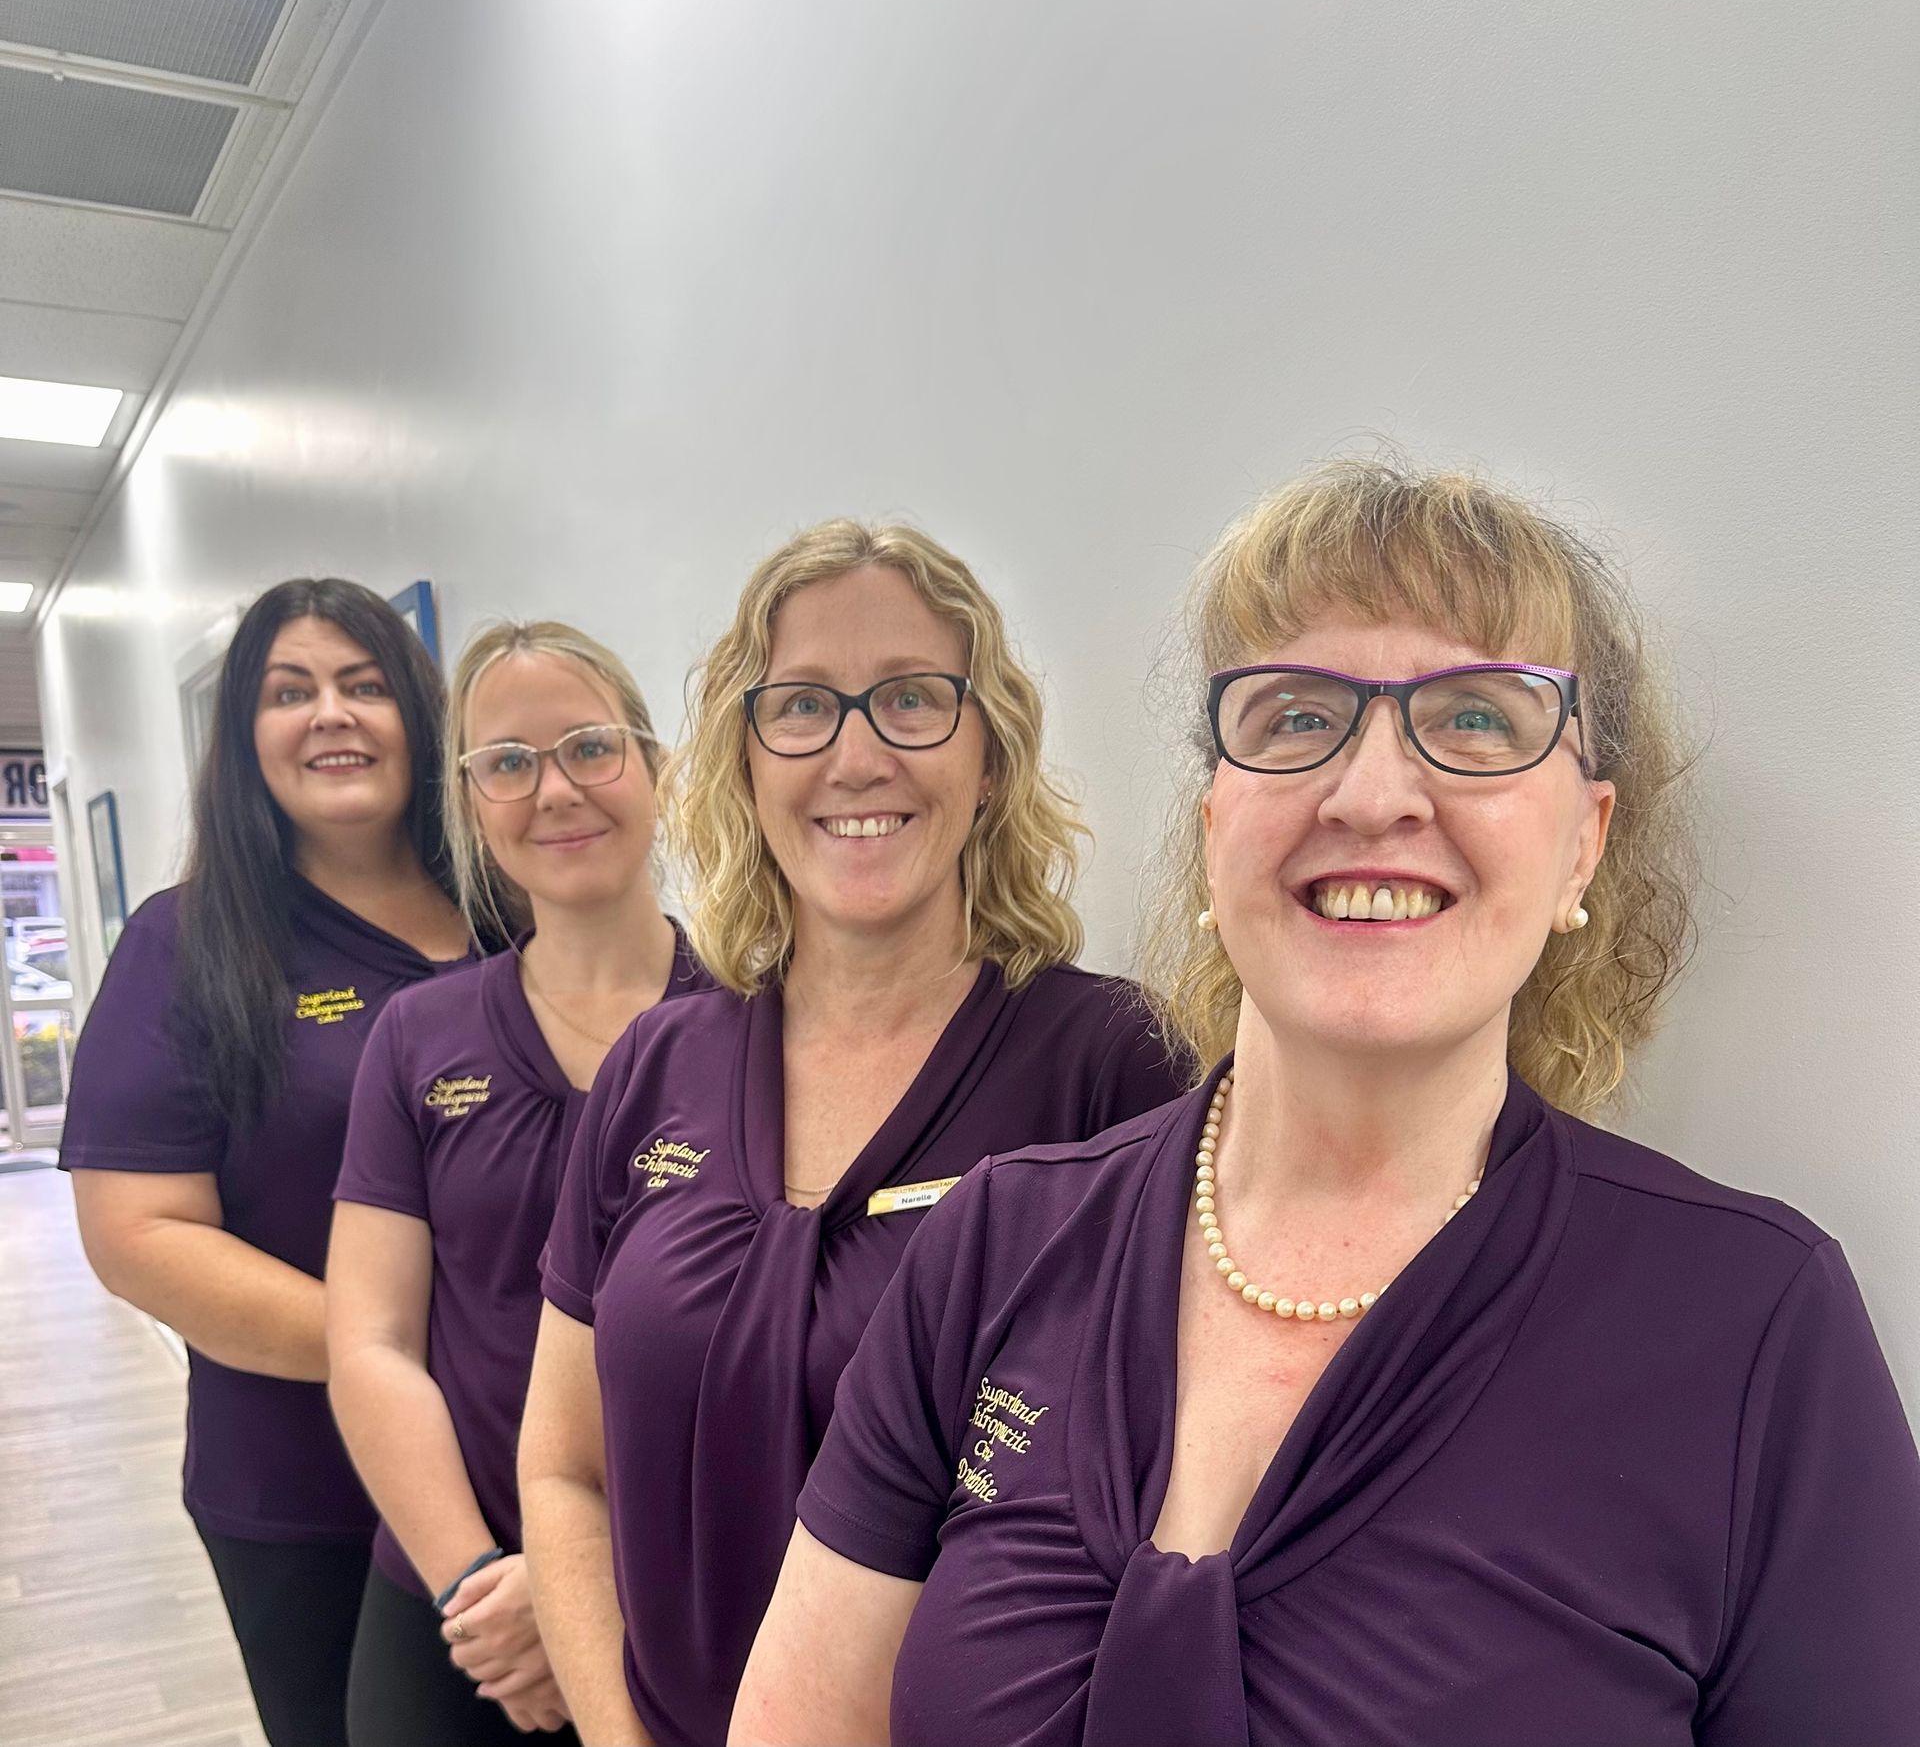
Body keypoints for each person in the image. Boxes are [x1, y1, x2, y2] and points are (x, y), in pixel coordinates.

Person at [736, 461, 1920, 1747]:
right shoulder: (993, 1245)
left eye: (1477, 719)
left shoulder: (1755, 1328)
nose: (1371, 794)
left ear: (1583, 840)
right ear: (1212, 827)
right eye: (1297, 716)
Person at [519, 520, 1186, 1747]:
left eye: (913, 700)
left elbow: (1160, 1519)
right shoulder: (655, 1069)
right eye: (804, 708)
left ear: (990, 756)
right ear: (746, 763)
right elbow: (562, 1465)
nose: (858, 753)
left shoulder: (1114, 1070)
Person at [62, 580, 473, 1747]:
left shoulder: (515, 915)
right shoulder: (183, 946)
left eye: (365, 684)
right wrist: (409, 1357)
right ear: (245, 739)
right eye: (290, 692)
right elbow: (139, 1235)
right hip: (310, 1489)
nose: (331, 715)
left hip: (549, 1457)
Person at [328, 623, 710, 1746]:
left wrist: (579, 1591)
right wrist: (479, 1583)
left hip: (683, 1591)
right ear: (470, 804)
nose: (555, 791)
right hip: (460, 1604)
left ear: (656, 767)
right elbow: (372, 1343)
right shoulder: (417, 1035)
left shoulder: (759, 1022)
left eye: (590, 747)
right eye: (507, 762)